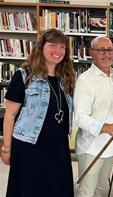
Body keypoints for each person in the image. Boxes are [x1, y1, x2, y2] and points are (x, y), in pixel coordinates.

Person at [0, 28, 75, 197]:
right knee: (29, 189)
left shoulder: (67, 78)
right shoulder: (24, 75)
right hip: (29, 146)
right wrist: (6, 148)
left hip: (58, 147)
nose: (58, 51)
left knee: (57, 189)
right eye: (53, 45)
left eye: (62, 47)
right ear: (41, 47)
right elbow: (10, 115)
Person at [74, 36, 113, 197]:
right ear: (91, 53)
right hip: (91, 147)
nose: (107, 54)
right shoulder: (85, 80)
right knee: (87, 192)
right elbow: (80, 117)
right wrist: (106, 127)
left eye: (110, 50)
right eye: (101, 50)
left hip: (109, 146)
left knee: (102, 189)